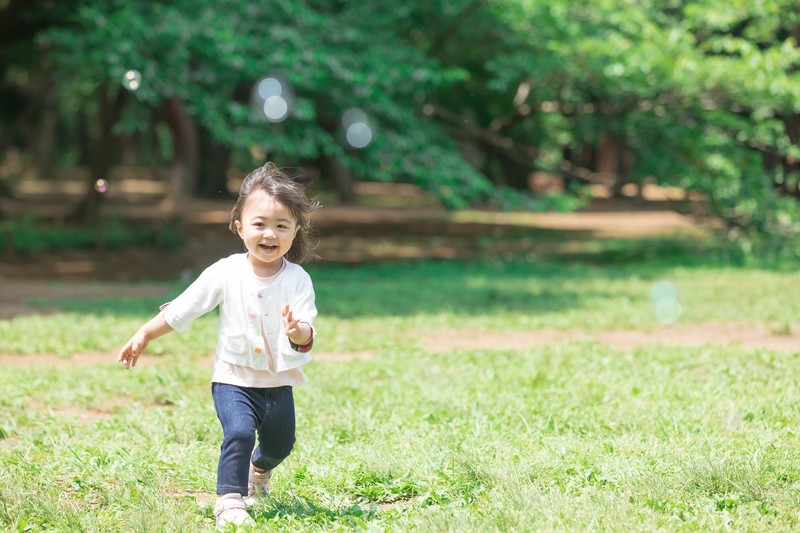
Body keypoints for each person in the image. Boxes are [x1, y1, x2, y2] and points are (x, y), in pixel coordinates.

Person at [118, 162, 320, 527]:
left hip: (278, 382)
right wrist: (145, 333)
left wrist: (297, 332)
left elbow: (306, 327)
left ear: (295, 231)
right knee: (239, 432)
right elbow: (185, 307)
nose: (269, 233)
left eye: (281, 225)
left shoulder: (297, 279)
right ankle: (229, 498)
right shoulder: (225, 271)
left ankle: (259, 471)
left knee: (280, 445)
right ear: (240, 227)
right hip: (232, 377)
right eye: (259, 224)